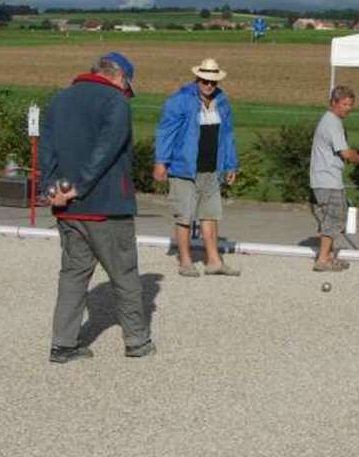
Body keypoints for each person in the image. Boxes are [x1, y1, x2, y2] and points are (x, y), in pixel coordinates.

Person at [40, 51, 154, 364]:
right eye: (127, 85)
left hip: (67, 207)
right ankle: (137, 341)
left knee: (73, 274)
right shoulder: (115, 102)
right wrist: (82, 185)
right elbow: (107, 150)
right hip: (107, 206)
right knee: (125, 274)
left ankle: (63, 344)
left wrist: (51, 190)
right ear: (120, 77)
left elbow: (46, 150)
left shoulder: (60, 100)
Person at [153, 58, 240, 277]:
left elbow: (227, 135)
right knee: (184, 216)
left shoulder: (223, 102)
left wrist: (230, 164)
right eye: (204, 80)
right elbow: (166, 132)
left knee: (210, 216)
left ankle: (214, 261)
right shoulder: (179, 100)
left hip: (212, 168)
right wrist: (161, 162)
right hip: (184, 169)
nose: (209, 85)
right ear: (197, 78)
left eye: (213, 81)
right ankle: (185, 261)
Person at [309, 85, 359, 272]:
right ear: (333, 103)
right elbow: (344, 152)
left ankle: (328, 255)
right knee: (334, 219)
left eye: (350, 105)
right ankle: (323, 260)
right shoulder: (333, 122)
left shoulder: (329, 121)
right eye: (344, 104)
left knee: (330, 219)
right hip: (328, 180)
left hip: (322, 178)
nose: (348, 108)